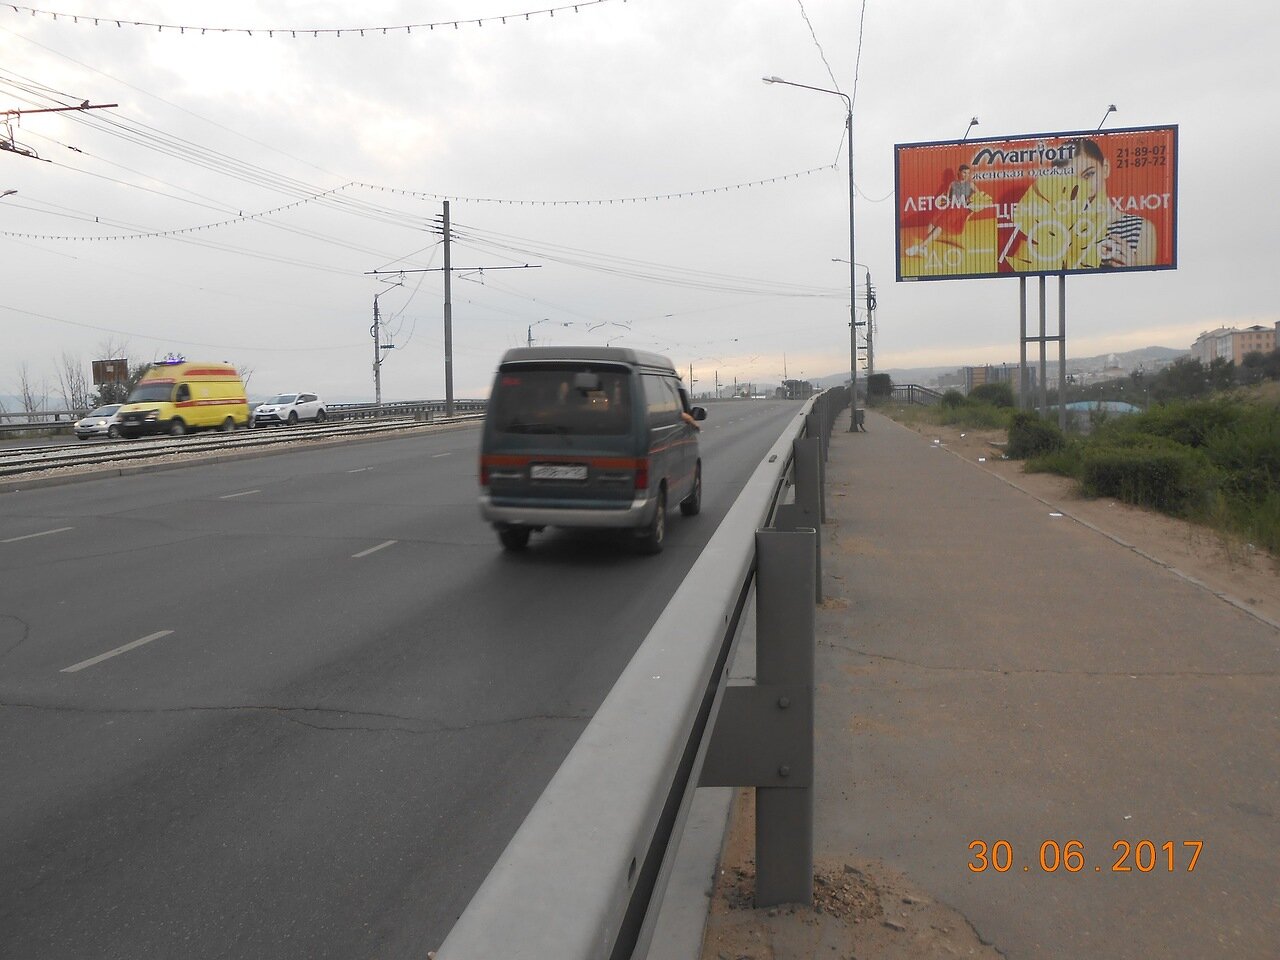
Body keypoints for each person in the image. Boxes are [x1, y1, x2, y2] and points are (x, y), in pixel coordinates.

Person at [1065, 137, 1156, 268]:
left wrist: (1133, 268)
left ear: (1105, 168)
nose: (1082, 186)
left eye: (1089, 174)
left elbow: (1147, 284)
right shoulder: (1058, 231)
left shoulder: (1142, 229)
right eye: (1071, 180)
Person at [906, 164, 977, 256]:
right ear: (959, 173)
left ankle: (919, 247)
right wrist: (943, 201)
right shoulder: (952, 184)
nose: (967, 175)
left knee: (939, 227)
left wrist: (970, 212)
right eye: (964, 173)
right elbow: (947, 198)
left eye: (968, 173)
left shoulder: (971, 185)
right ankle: (924, 247)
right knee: (932, 222)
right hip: (949, 208)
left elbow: (980, 198)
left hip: (960, 212)